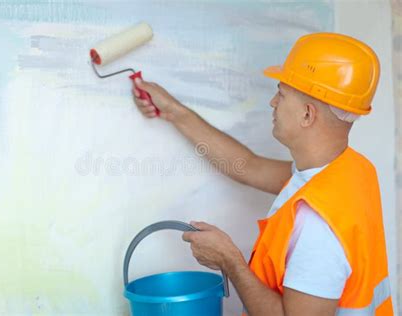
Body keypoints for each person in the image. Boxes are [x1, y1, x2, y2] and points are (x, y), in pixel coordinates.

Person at [132, 33, 393, 315]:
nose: (272, 102)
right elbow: (248, 166)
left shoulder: (318, 226)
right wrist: (174, 111)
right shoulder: (351, 170)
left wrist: (230, 261)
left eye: (281, 93)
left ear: (307, 115)